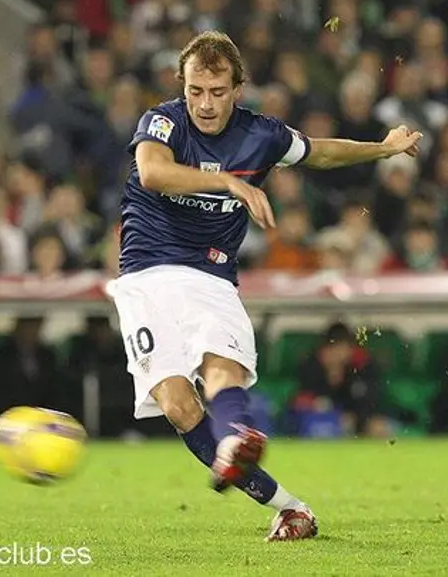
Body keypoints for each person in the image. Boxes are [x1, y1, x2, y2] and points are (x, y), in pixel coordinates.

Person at [106, 31, 422, 542]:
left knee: (221, 367)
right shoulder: (161, 122)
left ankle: (237, 437)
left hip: (210, 275)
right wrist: (229, 182)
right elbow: (153, 173)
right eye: (194, 91)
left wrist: (382, 149)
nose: (204, 104)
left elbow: (319, 153)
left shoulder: (262, 134)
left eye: (216, 91)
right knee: (179, 406)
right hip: (146, 275)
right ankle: (289, 505)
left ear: (238, 89)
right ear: (182, 87)